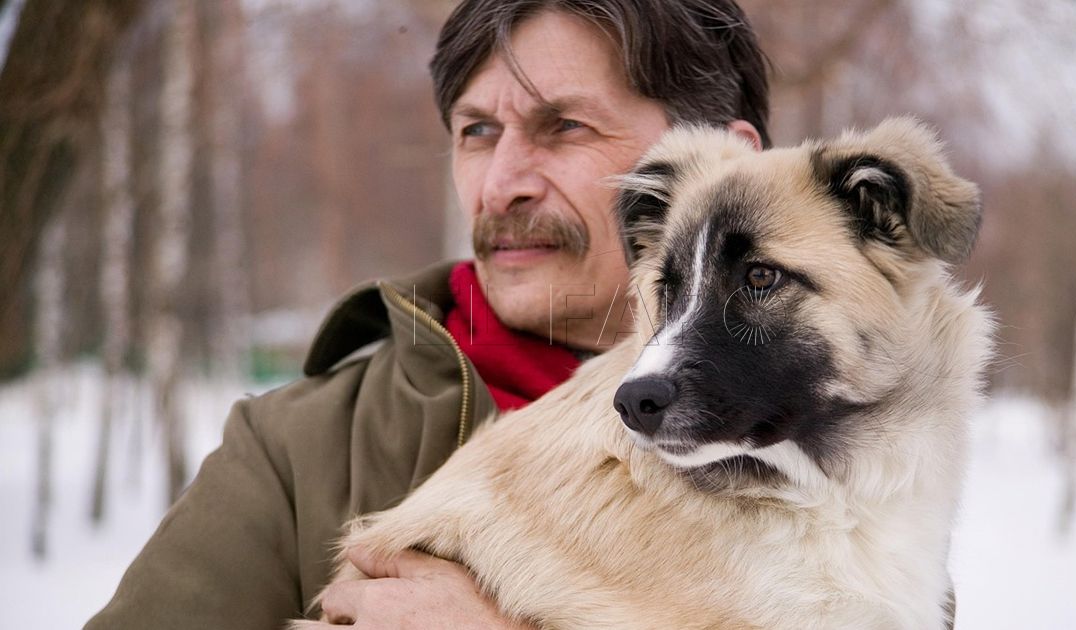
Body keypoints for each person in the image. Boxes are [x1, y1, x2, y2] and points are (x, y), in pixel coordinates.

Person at [85, 1, 771, 628]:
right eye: (478, 131)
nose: (500, 186)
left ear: (727, 161)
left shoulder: (830, 447)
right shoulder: (299, 451)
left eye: (564, 126)